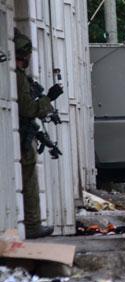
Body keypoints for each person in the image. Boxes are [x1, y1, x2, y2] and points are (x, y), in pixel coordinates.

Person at [14, 29, 63, 239]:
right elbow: (27, 109)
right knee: (29, 179)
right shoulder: (17, 77)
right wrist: (48, 99)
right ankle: (32, 224)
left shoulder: (20, 76)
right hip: (22, 133)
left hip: (24, 131)